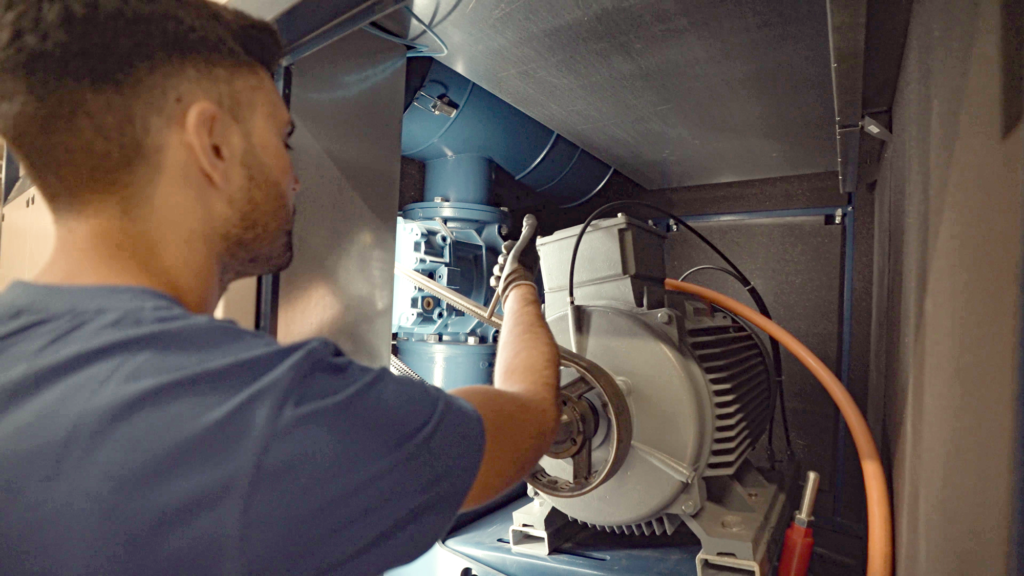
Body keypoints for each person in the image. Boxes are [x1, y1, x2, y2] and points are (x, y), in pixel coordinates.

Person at [0, 1, 560, 574]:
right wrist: (519, 289)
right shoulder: (262, 413)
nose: (293, 179)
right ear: (214, 144)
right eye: (282, 139)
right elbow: (526, 420)